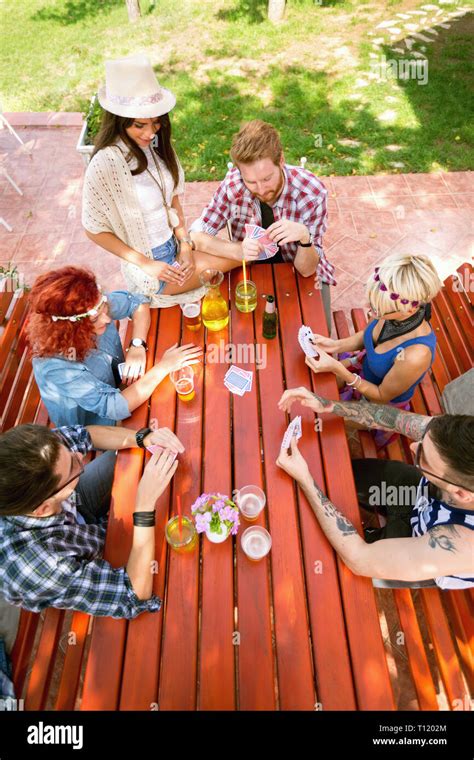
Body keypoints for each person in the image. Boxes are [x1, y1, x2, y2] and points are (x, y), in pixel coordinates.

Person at [277, 387, 474, 589]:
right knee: (336, 476)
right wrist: (327, 404)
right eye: (423, 440)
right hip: (415, 491)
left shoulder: (463, 547)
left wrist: (306, 480)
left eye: (422, 456)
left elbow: (358, 558)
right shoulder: (453, 443)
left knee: (325, 551)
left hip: (418, 542)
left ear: (460, 493)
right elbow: (393, 418)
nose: (413, 446)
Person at [82, 54, 237, 305]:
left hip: (177, 247)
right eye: (139, 125)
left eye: (156, 123)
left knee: (241, 251)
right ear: (119, 122)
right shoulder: (106, 163)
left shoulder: (155, 146)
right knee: (241, 258)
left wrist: (185, 244)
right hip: (154, 269)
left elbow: (172, 200)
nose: (150, 132)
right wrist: (146, 263)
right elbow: (94, 229)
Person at [0, 422, 184, 618]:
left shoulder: (40, 453)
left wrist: (143, 438)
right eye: (73, 467)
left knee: (141, 459)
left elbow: (84, 435)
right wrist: (144, 507)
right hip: (81, 558)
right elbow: (134, 595)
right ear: (42, 508)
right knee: (172, 551)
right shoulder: (34, 567)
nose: (79, 456)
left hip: (76, 503)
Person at [189, 119, 335, 328]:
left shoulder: (312, 193)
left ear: (281, 160)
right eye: (251, 181)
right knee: (241, 333)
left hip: (296, 270)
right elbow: (195, 236)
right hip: (249, 271)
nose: (260, 189)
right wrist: (237, 250)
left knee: (320, 335)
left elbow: (307, 269)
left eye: (267, 179)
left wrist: (304, 237)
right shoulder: (233, 186)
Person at [28, 266, 201, 427]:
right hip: (98, 423)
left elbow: (137, 301)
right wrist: (164, 366)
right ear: (68, 329)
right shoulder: (56, 366)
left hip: (124, 385)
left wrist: (137, 344)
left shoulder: (91, 305)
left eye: (104, 308)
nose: (107, 319)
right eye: (96, 319)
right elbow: (114, 407)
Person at [307, 252, 442, 446]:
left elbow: (380, 396)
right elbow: (366, 336)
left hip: (378, 403)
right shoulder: (391, 309)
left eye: (377, 309)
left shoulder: (416, 355)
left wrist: (339, 369)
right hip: (363, 369)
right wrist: (335, 344)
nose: (370, 309)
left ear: (410, 309)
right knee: (313, 382)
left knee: (321, 418)